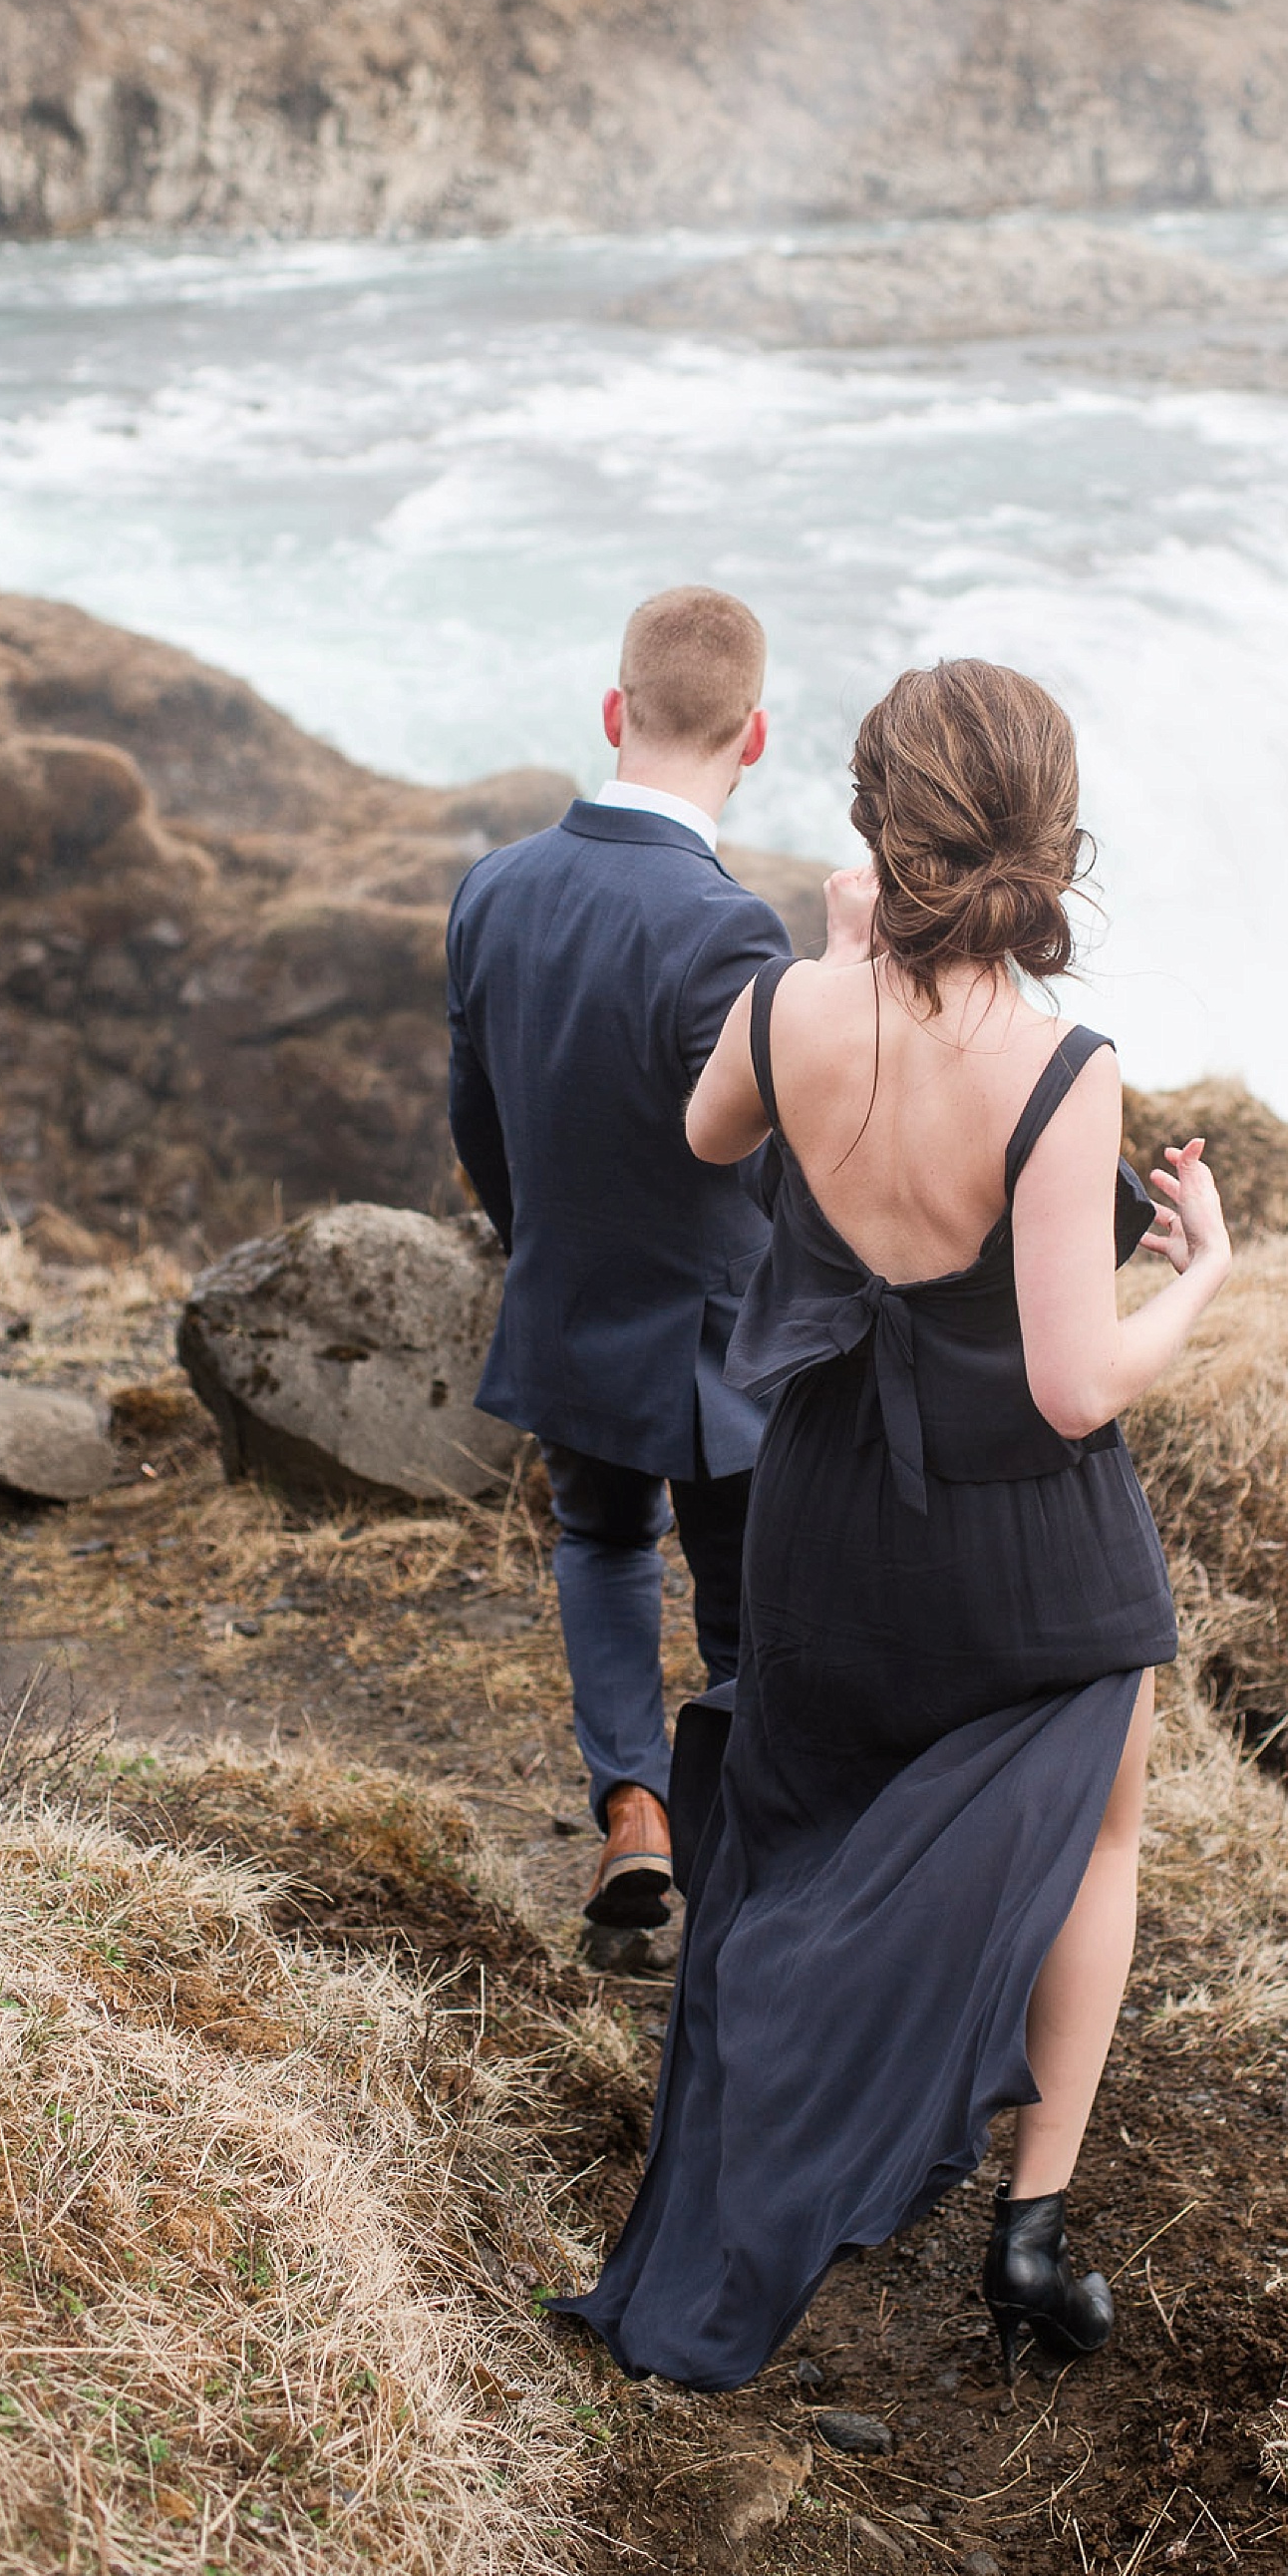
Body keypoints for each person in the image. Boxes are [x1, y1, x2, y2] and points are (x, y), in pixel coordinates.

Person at [551, 655, 1233, 2389]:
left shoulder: (792, 1005)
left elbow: (712, 1132)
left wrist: (837, 962)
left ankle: (762, 2146)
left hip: (829, 1514)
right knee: (1094, 1841)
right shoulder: (1067, 1067)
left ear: (876, 822)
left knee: (800, 1823)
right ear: (1048, 837)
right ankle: (1032, 2226)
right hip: (1031, 1548)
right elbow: (1076, 1385)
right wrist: (1201, 1281)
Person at [447, 587, 818, 1943]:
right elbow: (772, 1164)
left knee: (600, 1545)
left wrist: (534, 1243)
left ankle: (633, 1811)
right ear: (756, 737)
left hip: (567, 1307)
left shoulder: (493, 891)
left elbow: (474, 1118)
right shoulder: (730, 931)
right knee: (741, 1619)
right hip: (716, 1349)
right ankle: (731, 1880)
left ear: (613, 713)